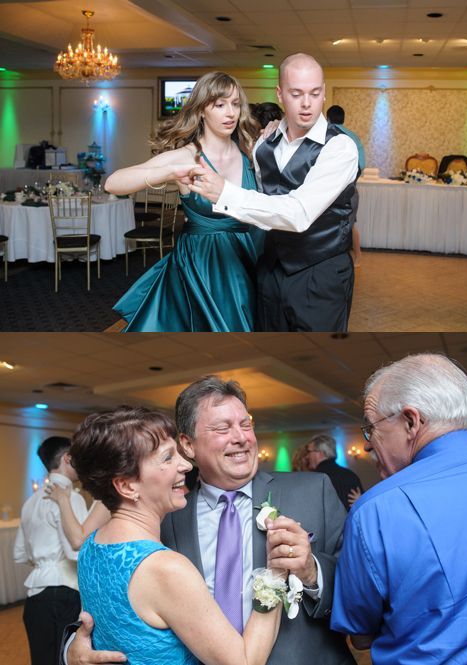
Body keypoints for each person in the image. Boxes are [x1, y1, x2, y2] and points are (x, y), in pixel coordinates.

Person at [67, 376, 355, 665]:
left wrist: (311, 572)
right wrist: (71, 651)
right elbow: (106, 612)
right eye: (222, 428)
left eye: (246, 424)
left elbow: (358, 588)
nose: (241, 437)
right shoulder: (165, 519)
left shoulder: (313, 491)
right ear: (187, 445)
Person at [67, 406, 282, 665]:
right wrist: (276, 575)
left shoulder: (91, 546)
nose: (186, 465)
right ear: (127, 485)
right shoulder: (167, 569)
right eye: (168, 458)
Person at [330, 354, 467, 663]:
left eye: (370, 428)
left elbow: (361, 634)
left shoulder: (375, 510)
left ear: (411, 421)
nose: (367, 444)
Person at [188, 53, 360, 332]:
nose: (307, 103)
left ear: (324, 92)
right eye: (296, 94)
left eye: (315, 93)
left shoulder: (340, 147)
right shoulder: (264, 144)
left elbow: (299, 213)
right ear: (280, 94)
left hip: (320, 273)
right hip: (270, 269)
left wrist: (225, 193)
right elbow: (262, 202)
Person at [105, 72, 263, 332]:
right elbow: (113, 183)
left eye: (235, 104)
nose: (230, 113)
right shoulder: (187, 156)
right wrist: (168, 173)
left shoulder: (249, 150)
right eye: (220, 105)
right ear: (201, 111)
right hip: (200, 264)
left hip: (247, 256)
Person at [13, 437, 88, 665]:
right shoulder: (71, 498)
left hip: (35, 596)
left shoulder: (30, 502)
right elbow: (77, 550)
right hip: (64, 591)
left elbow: (19, 553)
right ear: (67, 458)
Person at [325, 104, 365, 267]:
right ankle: (357, 257)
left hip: (330, 191)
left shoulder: (327, 134)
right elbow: (361, 165)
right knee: (350, 225)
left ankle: (333, 261)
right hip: (350, 189)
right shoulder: (353, 136)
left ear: (328, 118)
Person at [310, 434, 364, 513]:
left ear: (320, 453)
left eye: (309, 451)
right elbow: (361, 507)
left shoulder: (313, 478)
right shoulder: (350, 475)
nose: (307, 456)